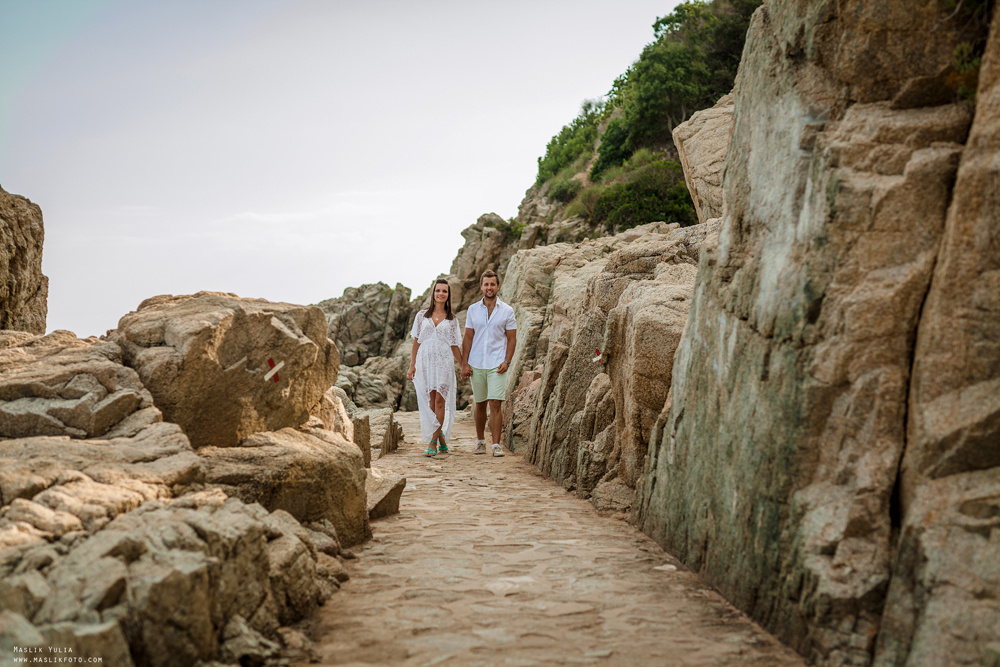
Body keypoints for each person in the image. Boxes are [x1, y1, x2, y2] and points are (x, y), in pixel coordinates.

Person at [461, 269, 517, 457]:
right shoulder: (472, 310)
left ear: (498, 286)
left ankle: (496, 445)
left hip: (497, 364)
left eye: (492, 284)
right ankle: (480, 441)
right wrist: (464, 363)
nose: (489, 287)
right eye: (486, 284)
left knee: (495, 403)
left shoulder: (507, 311)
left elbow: (512, 339)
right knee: (480, 403)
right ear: (481, 286)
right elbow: (468, 337)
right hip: (476, 363)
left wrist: (507, 361)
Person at [407, 278, 463, 457]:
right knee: (431, 402)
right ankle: (441, 438)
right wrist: (412, 365)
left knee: (440, 401)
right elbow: (416, 341)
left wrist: (463, 366)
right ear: (433, 293)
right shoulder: (421, 316)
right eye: (438, 290)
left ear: (448, 295)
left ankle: (432, 442)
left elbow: (455, 346)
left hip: (444, 363)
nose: (441, 294)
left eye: (444, 291)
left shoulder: (452, 320)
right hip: (425, 362)